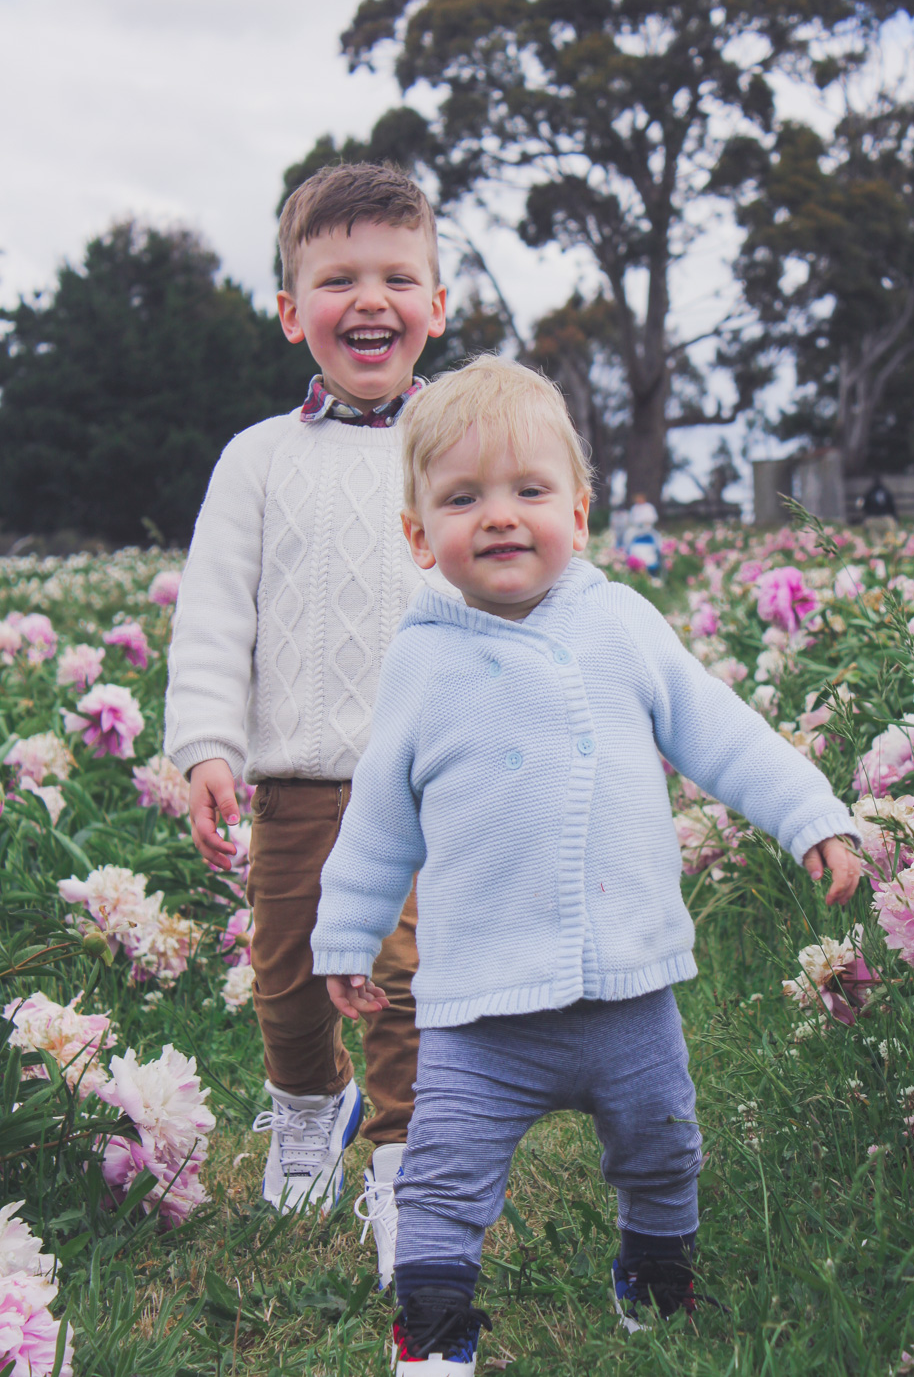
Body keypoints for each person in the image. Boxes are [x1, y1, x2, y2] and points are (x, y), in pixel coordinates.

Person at [310, 359, 862, 1372]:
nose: (501, 517)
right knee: (441, 1173)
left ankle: (656, 1285)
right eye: (463, 497)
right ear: (416, 534)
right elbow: (380, 814)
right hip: (482, 1011)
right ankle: (432, 1335)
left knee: (662, 1147)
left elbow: (723, 734)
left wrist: (812, 818)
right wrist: (348, 932)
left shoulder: (619, 626)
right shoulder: (422, 659)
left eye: (529, 491)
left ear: (579, 506)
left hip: (629, 993)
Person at [163, 162, 450, 1286]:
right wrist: (205, 749)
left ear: (435, 304)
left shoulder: (458, 448)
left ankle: (404, 1166)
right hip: (294, 787)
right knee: (288, 983)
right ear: (292, 313)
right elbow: (211, 614)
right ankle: (303, 1115)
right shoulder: (258, 460)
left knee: (407, 981)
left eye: (396, 276)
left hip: (431, 782)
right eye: (337, 279)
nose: (369, 299)